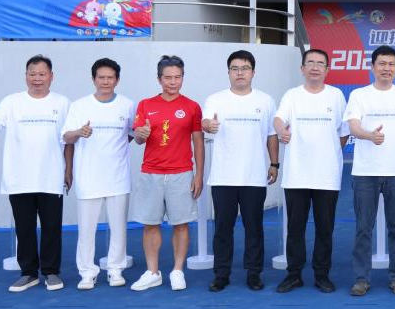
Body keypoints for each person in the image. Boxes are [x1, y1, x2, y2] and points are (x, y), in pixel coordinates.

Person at [0, 55, 70, 292]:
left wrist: (69, 169)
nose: (37, 78)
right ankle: (28, 273)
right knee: (24, 228)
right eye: (32, 74)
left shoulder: (63, 103)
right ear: (26, 76)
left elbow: (68, 139)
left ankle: (51, 272)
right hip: (19, 178)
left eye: (42, 74)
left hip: (50, 176)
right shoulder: (12, 102)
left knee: (52, 228)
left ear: (51, 76)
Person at [344, 45, 395, 297]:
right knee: (363, 228)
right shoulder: (359, 95)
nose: (386, 68)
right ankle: (361, 278)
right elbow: (353, 127)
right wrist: (369, 135)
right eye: (382, 63)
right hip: (365, 172)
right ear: (372, 67)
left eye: (391, 64)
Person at [274, 48, 349, 294]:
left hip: (327, 175)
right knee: (295, 228)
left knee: (324, 228)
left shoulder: (336, 96)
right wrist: (281, 130)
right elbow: (278, 119)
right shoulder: (292, 95)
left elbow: (343, 133)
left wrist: (328, 152)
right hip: (296, 174)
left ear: (327, 70)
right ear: (302, 68)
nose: (315, 67)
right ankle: (293, 274)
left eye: (320, 63)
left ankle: (322, 274)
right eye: (310, 63)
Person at [202, 50, 278, 292]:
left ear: (253, 72)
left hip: (254, 177)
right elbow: (205, 123)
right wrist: (209, 125)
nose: (240, 73)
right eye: (234, 69)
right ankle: (221, 274)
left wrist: (274, 163)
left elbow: (271, 135)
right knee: (222, 228)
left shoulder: (265, 101)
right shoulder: (215, 100)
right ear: (228, 72)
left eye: (245, 68)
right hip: (223, 177)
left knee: (254, 228)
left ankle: (254, 273)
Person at [129, 55, 204, 292]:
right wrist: (140, 134)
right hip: (151, 173)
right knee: (150, 224)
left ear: (183, 78)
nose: (173, 82)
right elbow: (138, 138)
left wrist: (199, 175)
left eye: (177, 77)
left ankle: (177, 270)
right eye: (168, 77)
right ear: (159, 79)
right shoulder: (145, 105)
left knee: (181, 224)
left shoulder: (192, 107)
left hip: (181, 173)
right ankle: (152, 272)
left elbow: (198, 142)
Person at [62, 58, 136, 290]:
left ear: (117, 80)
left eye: (110, 77)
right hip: (88, 178)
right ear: (93, 79)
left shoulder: (127, 105)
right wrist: (79, 132)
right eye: (101, 77)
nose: (105, 81)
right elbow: (66, 137)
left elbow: (132, 134)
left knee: (118, 228)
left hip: (118, 177)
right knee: (86, 230)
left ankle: (115, 269)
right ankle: (87, 272)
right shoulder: (79, 106)